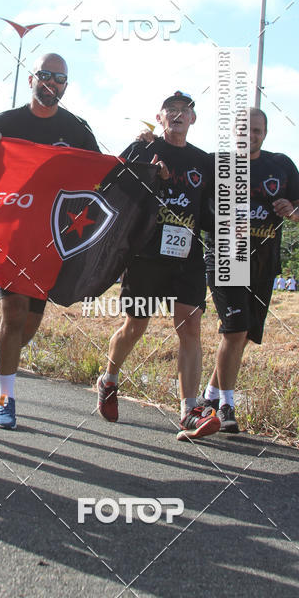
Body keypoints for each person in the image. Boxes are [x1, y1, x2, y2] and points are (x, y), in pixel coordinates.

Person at [0, 53, 100, 429]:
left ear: (67, 85)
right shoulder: (5, 122)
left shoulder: (77, 129)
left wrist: (141, 153)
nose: (52, 83)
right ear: (33, 78)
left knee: (29, 325)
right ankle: (6, 400)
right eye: (46, 75)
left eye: (60, 79)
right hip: (12, 236)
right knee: (13, 314)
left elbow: (101, 175)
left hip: (51, 239)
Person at [97, 92, 220, 441]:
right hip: (146, 255)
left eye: (186, 111)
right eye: (172, 110)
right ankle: (109, 378)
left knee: (190, 328)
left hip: (188, 257)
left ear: (193, 119)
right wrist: (150, 174)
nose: (179, 115)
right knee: (134, 326)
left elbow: (214, 208)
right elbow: (111, 184)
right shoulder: (142, 150)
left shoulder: (204, 161)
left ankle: (189, 411)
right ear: (160, 117)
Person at [200, 108, 299, 432]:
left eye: (257, 130)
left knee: (243, 334)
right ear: (234, 131)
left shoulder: (281, 165)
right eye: (245, 129)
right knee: (235, 330)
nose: (251, 135)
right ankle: (227, 406)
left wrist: (292, 211)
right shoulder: (216, 164)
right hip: (225, 257)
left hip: (264, 263)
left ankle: (210, 395)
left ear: (265, 132)